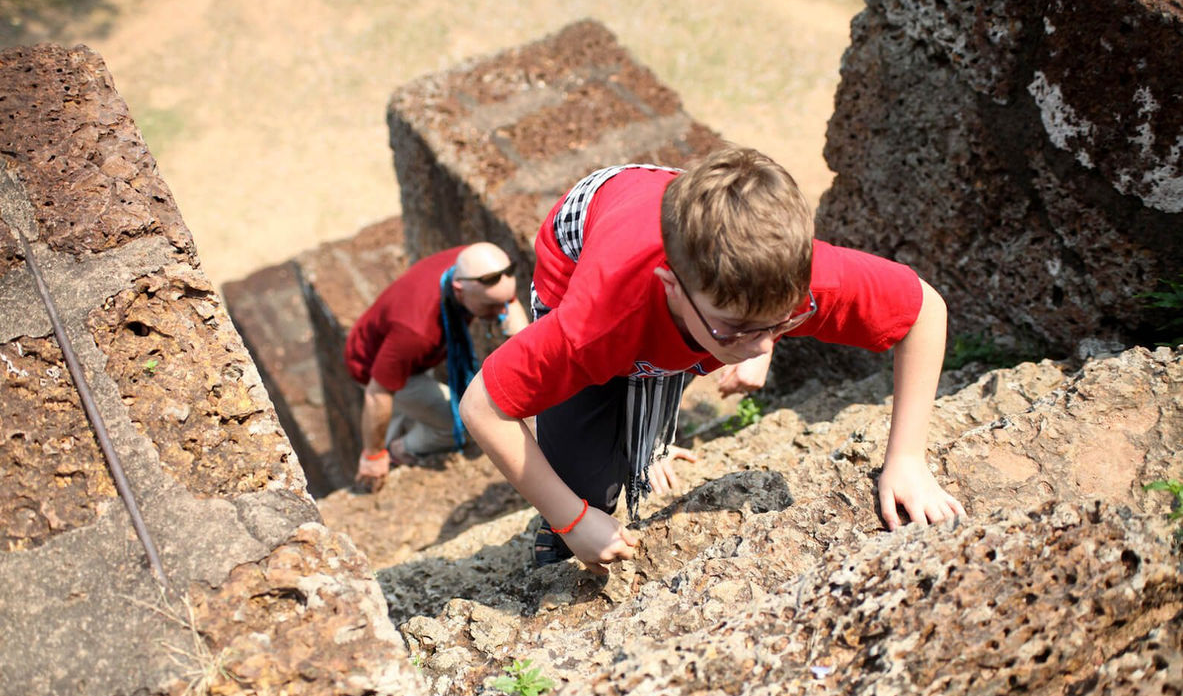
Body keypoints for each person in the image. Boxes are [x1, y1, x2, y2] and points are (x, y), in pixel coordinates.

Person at [459, 147, 966, 573]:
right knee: (587, 475)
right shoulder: (600, 320)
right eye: (742, 328)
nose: (764, 344)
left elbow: (925, 311)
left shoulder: (797, 276)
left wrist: (906, 459)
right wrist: (571, 518)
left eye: (783, 321)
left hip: (685, 231)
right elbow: (483, 406)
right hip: (583, 239)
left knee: (708, 340)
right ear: (673, 290)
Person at [344, 241, 529, 492]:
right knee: (457, 425)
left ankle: (400, 425)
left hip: (407, 353)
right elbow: (378, 394)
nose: (501, 312)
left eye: (504, 301)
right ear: (459, 290)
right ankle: (399, 450)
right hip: (375, 367)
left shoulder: (475, 267)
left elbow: (507, 302)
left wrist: (523, 342)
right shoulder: (416, 332)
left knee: (407, 407)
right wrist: (372, 456)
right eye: (492, 307)